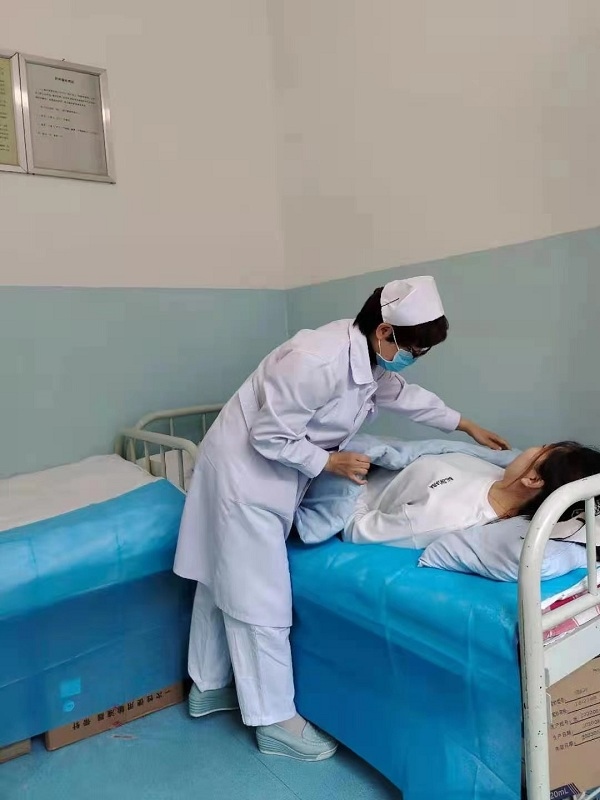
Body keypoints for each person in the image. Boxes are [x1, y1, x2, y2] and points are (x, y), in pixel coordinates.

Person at [174, 275, 509, 762]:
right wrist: (329, 462)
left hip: (268, 475)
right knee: (258, 597)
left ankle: (208, 686)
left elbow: (406, 396)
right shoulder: (316, 359)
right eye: (414, 349)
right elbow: (269, 435)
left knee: (219, 578)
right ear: (385, 331)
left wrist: (466, 425)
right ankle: (274, 721)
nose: (415, 358)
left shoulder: (368, 359)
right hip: (245, 476)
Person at [345, 442, 600, 548]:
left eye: (542, 448)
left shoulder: (448, 517)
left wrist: (350, 479)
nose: (531, 448)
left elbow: (356, 530)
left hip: (353, 480)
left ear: (532, 480)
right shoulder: (500, 477)